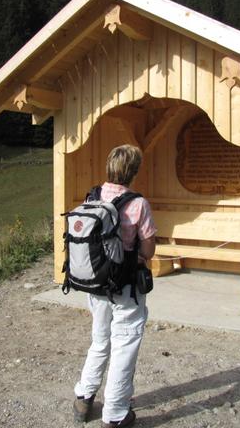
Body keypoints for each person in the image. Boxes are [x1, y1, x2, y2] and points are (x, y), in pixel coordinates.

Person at [73, 144, 157, 428]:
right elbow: (148, 251)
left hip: (96, 283)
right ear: (134, 171)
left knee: (100, 339)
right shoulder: (138, 204)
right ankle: (115, 413)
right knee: (125, 343)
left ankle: (84, 397)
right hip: (126, 287)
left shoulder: (92, 196)